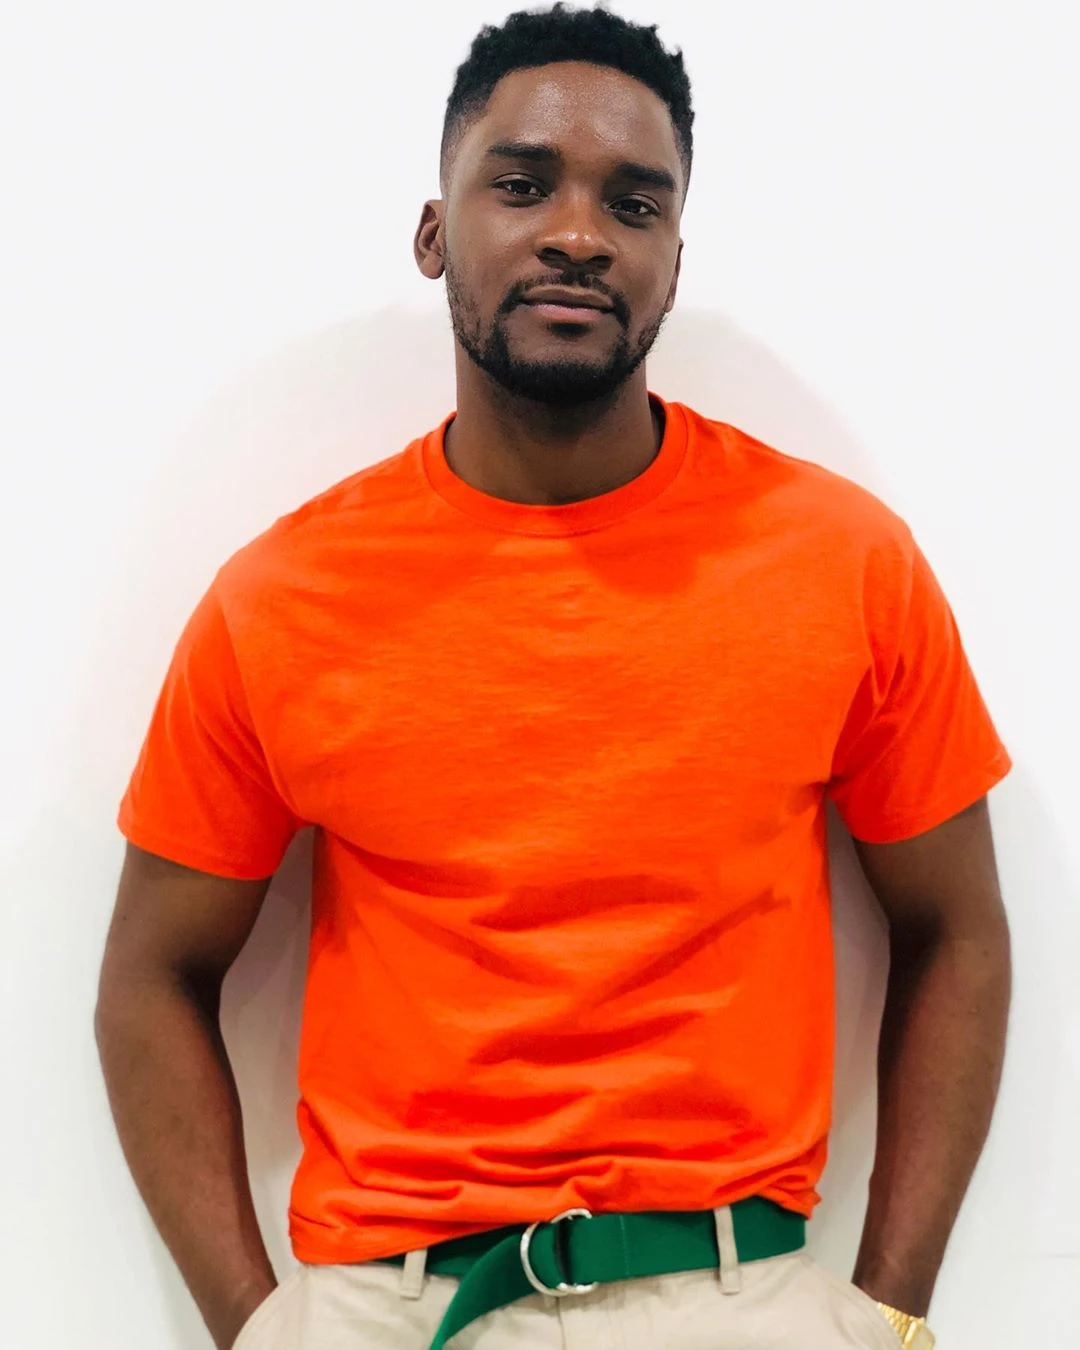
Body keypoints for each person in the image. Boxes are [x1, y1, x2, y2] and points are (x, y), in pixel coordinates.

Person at [94, 6, 1013, 1349]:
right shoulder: (283, 598)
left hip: (735, 1295)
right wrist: (257, 1328)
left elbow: (961, 931)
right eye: (522, 185)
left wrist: (890, 1314)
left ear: (674, 259)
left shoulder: (842, 561)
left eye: (633, 204)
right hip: (388, 1304)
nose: (578, 233)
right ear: (434, 232)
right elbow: (148, 977)